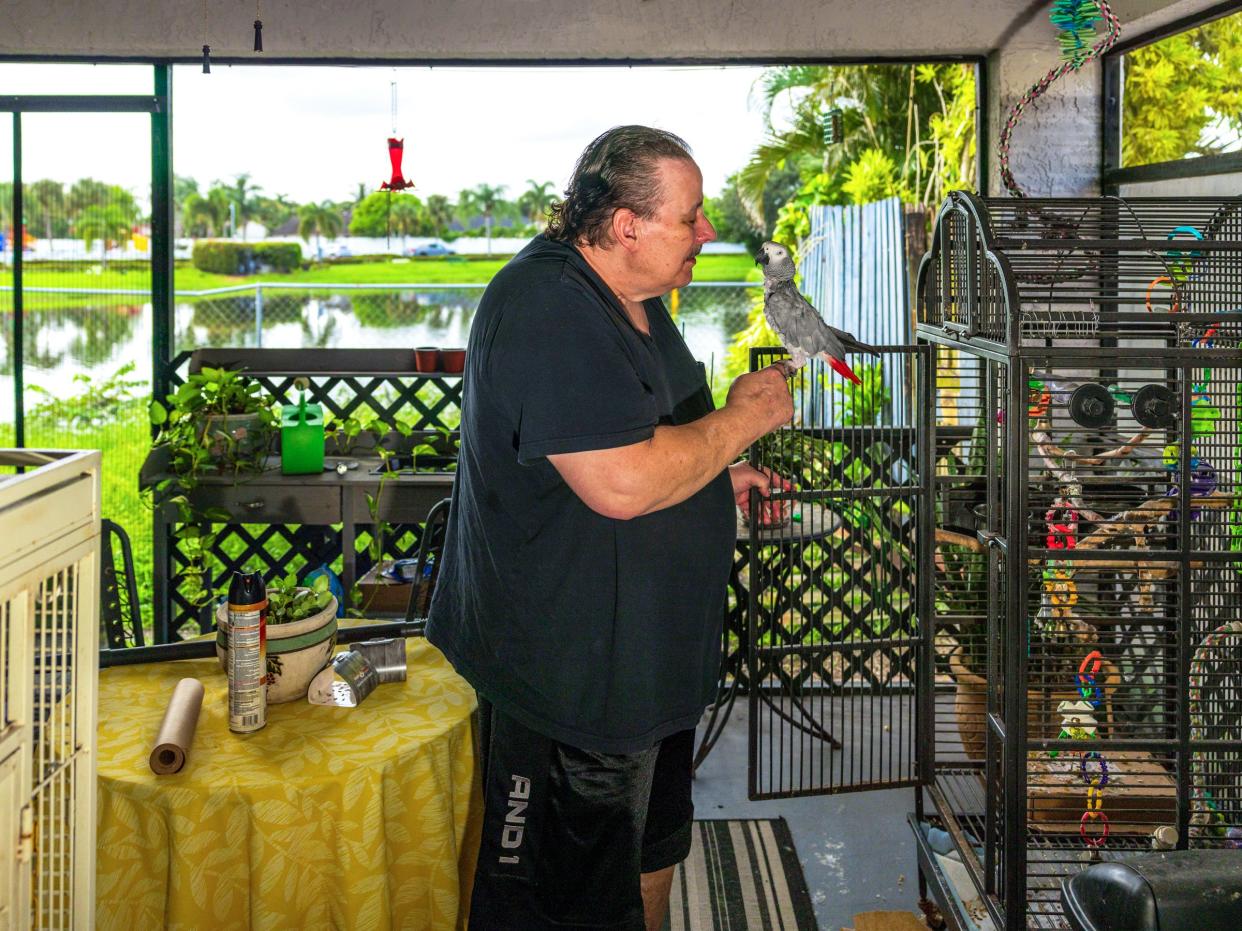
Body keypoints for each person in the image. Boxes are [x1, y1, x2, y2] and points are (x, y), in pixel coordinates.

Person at [426, 125, 793, 931]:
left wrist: (717, 479)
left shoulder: (639, 303)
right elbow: (622, 480)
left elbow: (644, 436)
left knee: (652, 856)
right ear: (627, 226)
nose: (708, 232)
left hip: (649, 676)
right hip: (573, 686)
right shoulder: (547, 306)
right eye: (691, 216)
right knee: (564, 903)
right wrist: (740, 423)